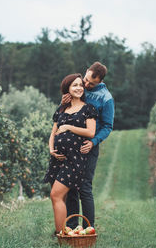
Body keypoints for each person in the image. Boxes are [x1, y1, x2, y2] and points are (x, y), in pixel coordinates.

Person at [62, 62, 114, 229]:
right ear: (85, 73)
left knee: (84, 186)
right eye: (85, 80)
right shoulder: (80, 87)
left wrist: (93, 142)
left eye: (91, 83)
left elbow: (107, 126)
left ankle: (88, 229)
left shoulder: (106, 98)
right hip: (71, 144)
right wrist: (63, 102)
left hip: (88, 146)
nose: (86, 85)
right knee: (70, 186)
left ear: (100, 81)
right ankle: (71, 226)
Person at [44, 73, 98, 234]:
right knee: (60, 197)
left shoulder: (88, 109)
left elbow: (90, 132)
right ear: (67, 88)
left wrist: (68, 127)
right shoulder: (61, 109)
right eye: (75, 85)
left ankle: (62, 233)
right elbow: (53, 133)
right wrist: (51, 149)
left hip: (74, 161)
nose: (79, 88)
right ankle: (63, 232)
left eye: (81, 85)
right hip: (57, 159)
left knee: (56, 195)